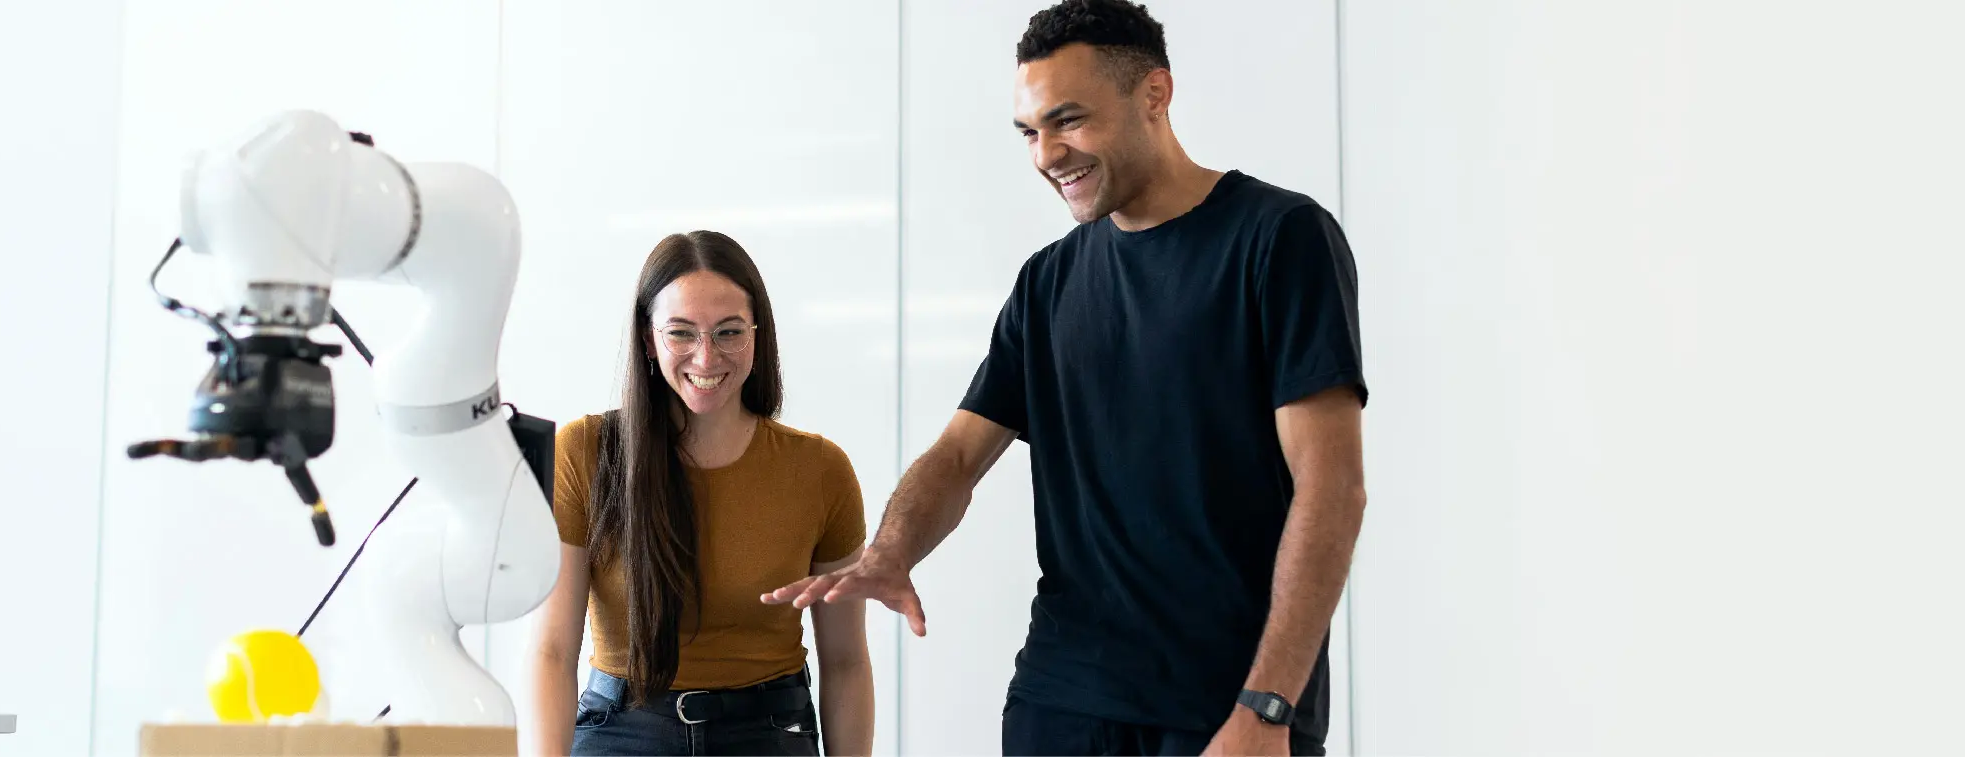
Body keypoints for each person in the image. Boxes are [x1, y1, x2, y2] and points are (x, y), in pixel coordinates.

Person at [762, 1, 1368, 754]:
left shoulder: (1278, 240)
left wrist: (1269, 704)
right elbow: (956, 457)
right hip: (1062, 700)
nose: (1046, 153)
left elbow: (1332, 486)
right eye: (1029, 131)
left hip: (1226, 704)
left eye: (1068, 120)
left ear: (1154, 95)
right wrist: (892, 550)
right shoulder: (1048, 282)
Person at [532, 231, 874, 756]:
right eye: (681, 333)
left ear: (758, 336)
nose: (706, 356)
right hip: (622, 729)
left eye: (729, 331)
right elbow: (554, 652)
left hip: (769, 730)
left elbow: (847, 660)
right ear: (648, 339)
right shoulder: (583, 453)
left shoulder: (821, 470)